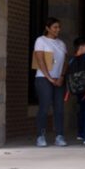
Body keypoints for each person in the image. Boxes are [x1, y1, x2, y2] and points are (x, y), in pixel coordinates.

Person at [33, 17, 68, 147]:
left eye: (59, 27)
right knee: (45, 106)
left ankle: (59, 136)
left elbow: (64, 62)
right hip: (43, 79)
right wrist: (49, 77)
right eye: (55, 27)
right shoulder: (40, 41)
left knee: (59, 108)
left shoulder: (61, 43)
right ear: (48, 28)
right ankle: (40, 136)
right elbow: (40, 60)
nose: (57, 30)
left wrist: (61, 76)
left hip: (58, 80)